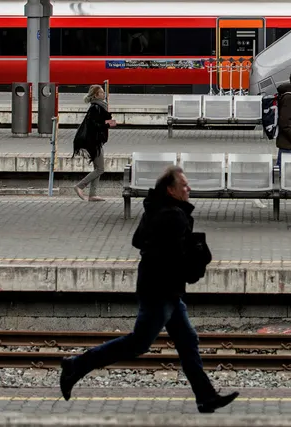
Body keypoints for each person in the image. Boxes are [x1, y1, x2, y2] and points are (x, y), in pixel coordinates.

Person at [59, 166, 238, 414]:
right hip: (160, 291)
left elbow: (138, 241)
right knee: (138, 344)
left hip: (162, 288)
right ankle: (75, 366)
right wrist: (197, 259)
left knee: (187, 341)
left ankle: (206, 397)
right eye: (184, 185)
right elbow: (176, 259)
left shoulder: (156, 209)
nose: (189, 188)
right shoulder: (172, 216)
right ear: (171, 190)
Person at [72, 84, 116, 201]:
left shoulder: (99, 106)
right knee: (100, 169)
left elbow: (98, 122)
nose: (103, 94)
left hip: (96, 141)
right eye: (101, 92)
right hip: (93, 142)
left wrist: (107, 122)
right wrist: (108, 124)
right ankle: (80, 186)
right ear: (96, 95)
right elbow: (94, 125)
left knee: (97, 168)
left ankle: (93, 194)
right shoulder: (95, 107)